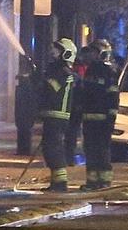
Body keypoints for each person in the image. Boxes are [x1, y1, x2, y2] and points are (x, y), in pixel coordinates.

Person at [77, 40, 120, 191]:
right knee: (90, 150)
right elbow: (84, 94)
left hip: (103, 119)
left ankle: (105, 181)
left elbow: (113, 97)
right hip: (89, 118)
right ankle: (92, 181)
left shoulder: (109, 72)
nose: (92, 55)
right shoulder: (90, 71)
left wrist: (111, 117)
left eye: (95, 52)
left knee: (102, 150)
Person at [37, 37, 79, 192]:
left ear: (66, 54)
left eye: (57, 50)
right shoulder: (55, 70)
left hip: (58, 115)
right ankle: (56, 182)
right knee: (49, 148)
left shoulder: (63, 72)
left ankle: (60, 183)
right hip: (52, 115)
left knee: (54, 148)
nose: (53, 52)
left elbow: (52, 88)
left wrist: (40, 79)